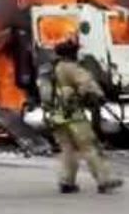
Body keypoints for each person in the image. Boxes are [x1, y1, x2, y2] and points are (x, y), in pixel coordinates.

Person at [40, 38, 123, 194]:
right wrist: (97, 95)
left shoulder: (51, 69)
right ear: (71, 54)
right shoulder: (71, 68)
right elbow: (86, 83)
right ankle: (105, 179)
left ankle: (66, 181)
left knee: (67, 149)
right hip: (73, 115)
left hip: (55, 115)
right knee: (90, 146)